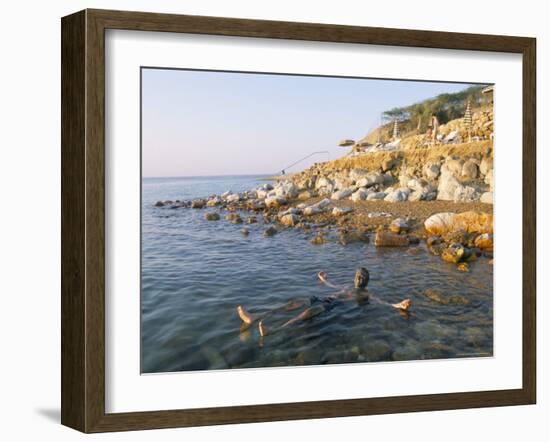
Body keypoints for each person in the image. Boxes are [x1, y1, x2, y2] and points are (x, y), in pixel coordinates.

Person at [236, 267, 412, 336]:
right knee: (295, 303)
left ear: (366, 281)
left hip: (331, 305)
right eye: (357, 276)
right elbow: (332, 285)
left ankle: (273, 330)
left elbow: (383, 302)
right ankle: (255, 316)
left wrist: (398, 305)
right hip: (322, 298)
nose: (358, 279)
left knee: (306, 314)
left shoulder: (366, 293)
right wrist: (323, 280)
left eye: (362, 277)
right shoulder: (345, 286)